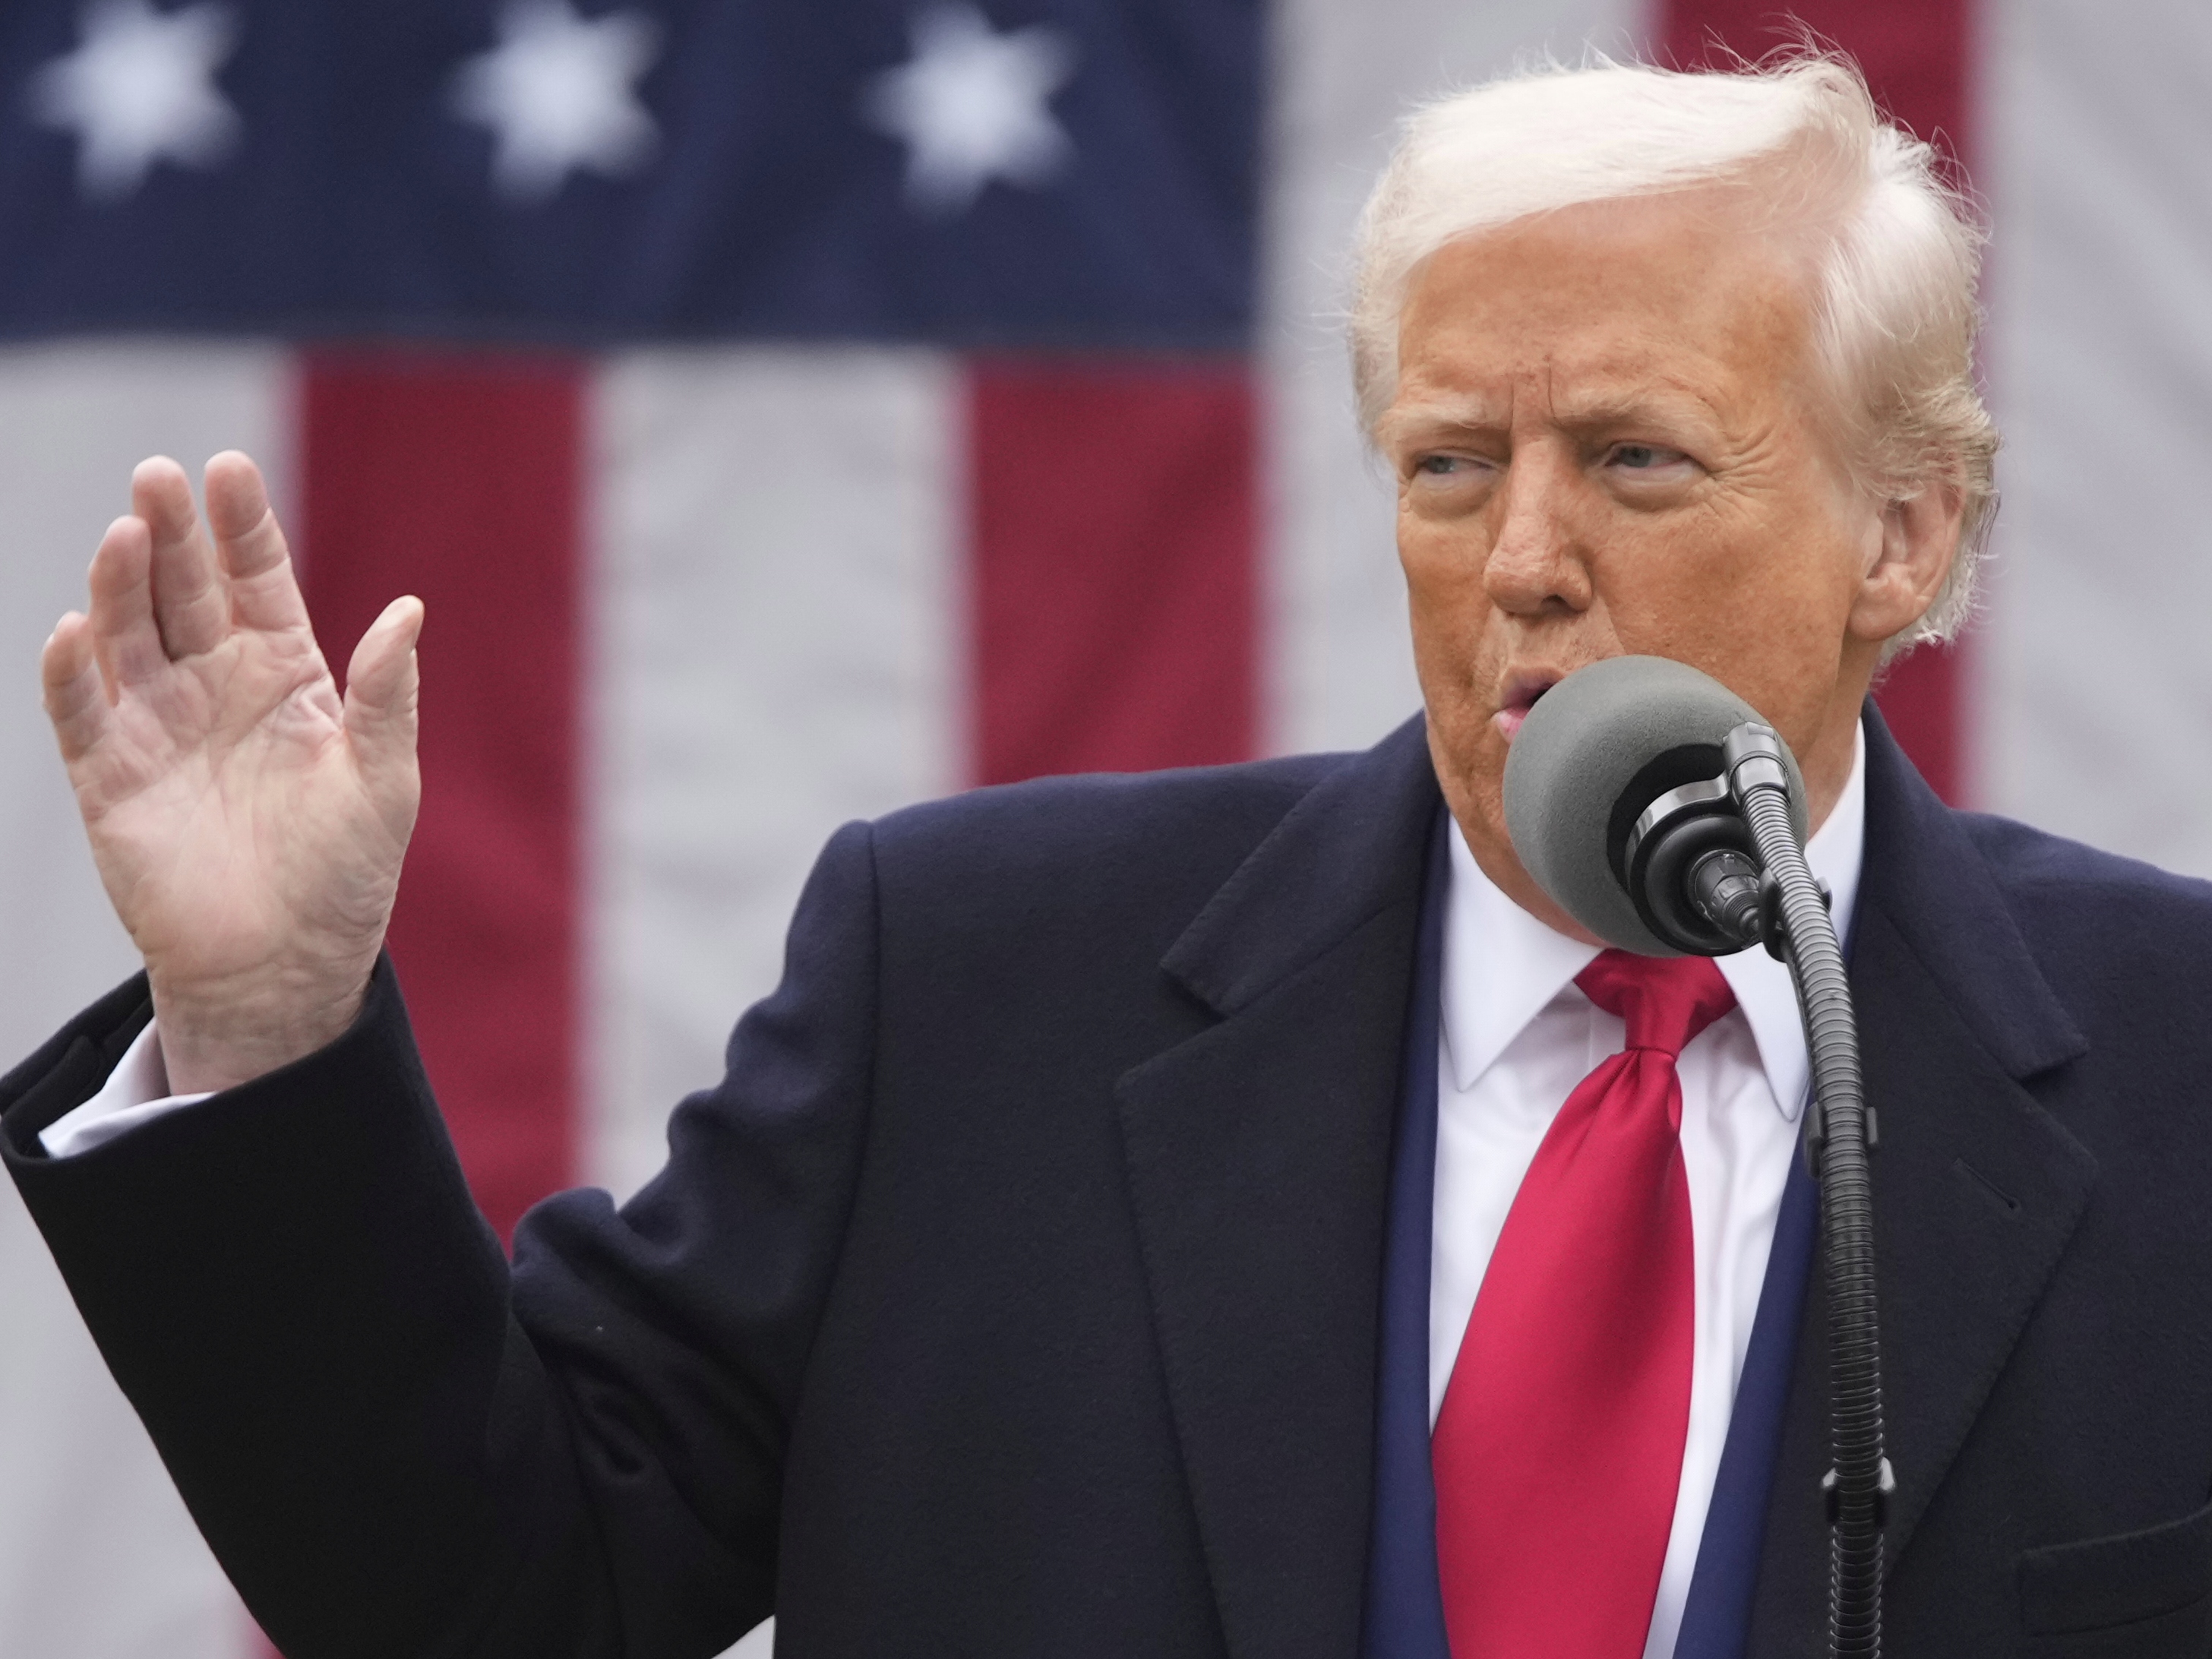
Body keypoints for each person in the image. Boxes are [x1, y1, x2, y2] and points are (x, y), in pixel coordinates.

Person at [8, 51, 2212, 1659]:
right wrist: (267, 1022)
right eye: (1449, 464)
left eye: (1634, 459)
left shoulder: (2177, 1066)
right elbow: (494, 1602)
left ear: (1903, 534)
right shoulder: (974, 984)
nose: (1522, 558)